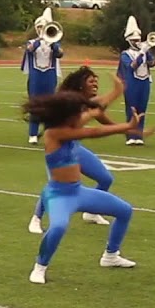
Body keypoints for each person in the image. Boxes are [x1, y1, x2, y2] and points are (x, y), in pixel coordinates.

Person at [23, 91, 145, 285]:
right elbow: (93, 132)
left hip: (78, 191)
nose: (81, 116)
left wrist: (115, 91)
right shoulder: (54, 133)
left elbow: (94, 111)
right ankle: (40, 267)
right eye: (77, 113)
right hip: (58, 194)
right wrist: (127, 127)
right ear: (66, 115)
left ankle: (111, 255)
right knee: (58, 226)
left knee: (124, 210)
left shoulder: (70, 125)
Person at [28, 66, 125, 234]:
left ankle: (91, 213)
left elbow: (101, 116)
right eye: (91, 81)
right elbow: (99, 109)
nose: (95, 84)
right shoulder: (67, 104)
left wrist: (126, 129)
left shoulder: (86, 104)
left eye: (97, 81)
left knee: (105, 179)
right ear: (81, 85)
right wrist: (117, 90)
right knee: (54, 185)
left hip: (75, 148)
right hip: (58, 151)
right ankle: (36, 218)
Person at [23, 8, 63, 145]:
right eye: (39, 27)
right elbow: (29, 50)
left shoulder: (54, 43)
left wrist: (52, 44)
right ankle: (33, 133)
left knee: (50, 106)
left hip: (49, 76)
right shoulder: (32, 42)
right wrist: (40, 39)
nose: (42, 29)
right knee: (35, 105)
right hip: (36, 77)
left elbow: (60, 54)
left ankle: (48, 133)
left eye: (44, 27)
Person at [118, 16, 155, 146]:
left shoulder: (145, 52)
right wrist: (141, 53)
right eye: (134, 40)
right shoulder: (125, 54)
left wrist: (147, 51)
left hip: (144, 82)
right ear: (129, 40)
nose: (137, 42)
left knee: (142, 109)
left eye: (138, 40)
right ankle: (130, 135)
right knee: (132, 109)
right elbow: (132, 66)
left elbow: (153, 63)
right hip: (131, 83)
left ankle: (139, 135)